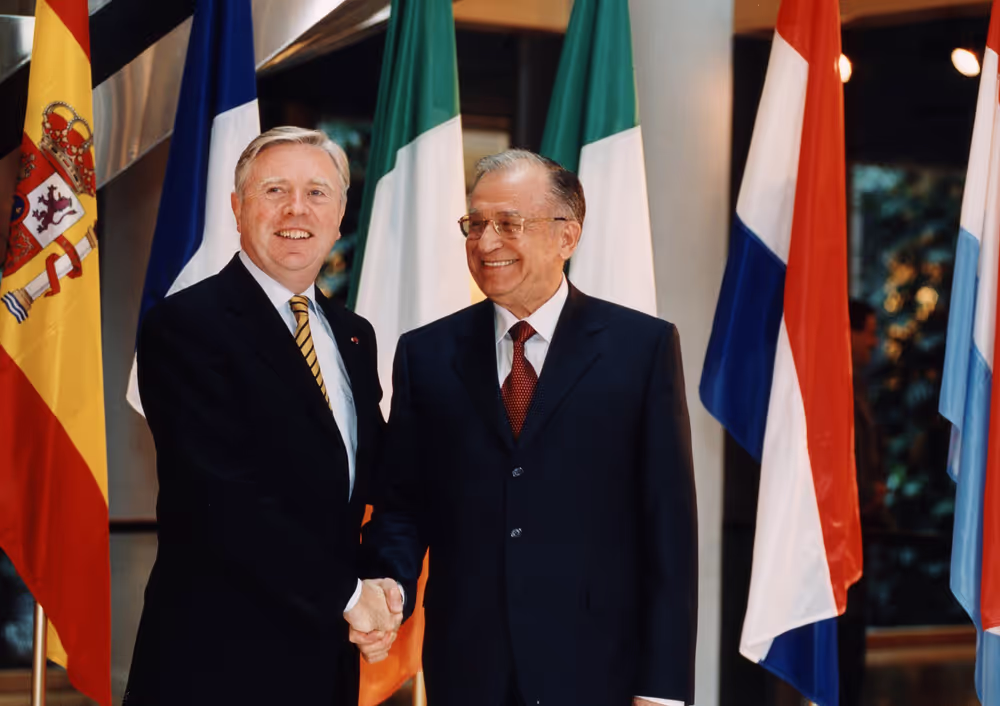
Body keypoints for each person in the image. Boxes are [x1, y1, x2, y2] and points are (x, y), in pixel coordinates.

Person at [356, 150, 698, 706]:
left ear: (568, 236)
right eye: (475, 224)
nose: (486, 243)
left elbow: (669, 530)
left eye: (508, 224)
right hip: (466, 669)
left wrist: (662, 691)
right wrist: (387, 586)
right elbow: (402, 504)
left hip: (597, 671)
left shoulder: (642, 349)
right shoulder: (426, 353)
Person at [124, 127, 401, 706]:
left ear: (342, 212)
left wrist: (384, 581)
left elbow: (375, 484)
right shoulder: (186, 327)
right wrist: (350, 597)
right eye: (274, 190)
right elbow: (222, 498)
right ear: (237, 208)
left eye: (318, 192)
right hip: (214, 662)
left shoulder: (354, 336)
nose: (297, 209)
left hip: (325, 662)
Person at [838, 299, 891, 706]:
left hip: (860, 548)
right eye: (868, 331)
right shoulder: (838, 393)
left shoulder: (858, 390)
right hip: (841, 552)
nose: (874, 342)